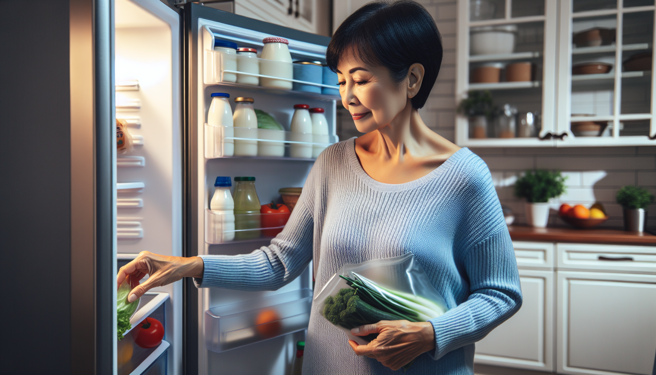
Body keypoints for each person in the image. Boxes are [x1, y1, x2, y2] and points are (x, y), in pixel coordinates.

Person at [116, 1, 522, 373]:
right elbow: (279, 262)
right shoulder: (333, 163)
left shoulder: (465, 177)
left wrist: (430, 335)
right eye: (341, 81)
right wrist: (189, 266)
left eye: (360, 79)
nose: (347, 96)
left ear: (412, 79)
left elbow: (500, 294)